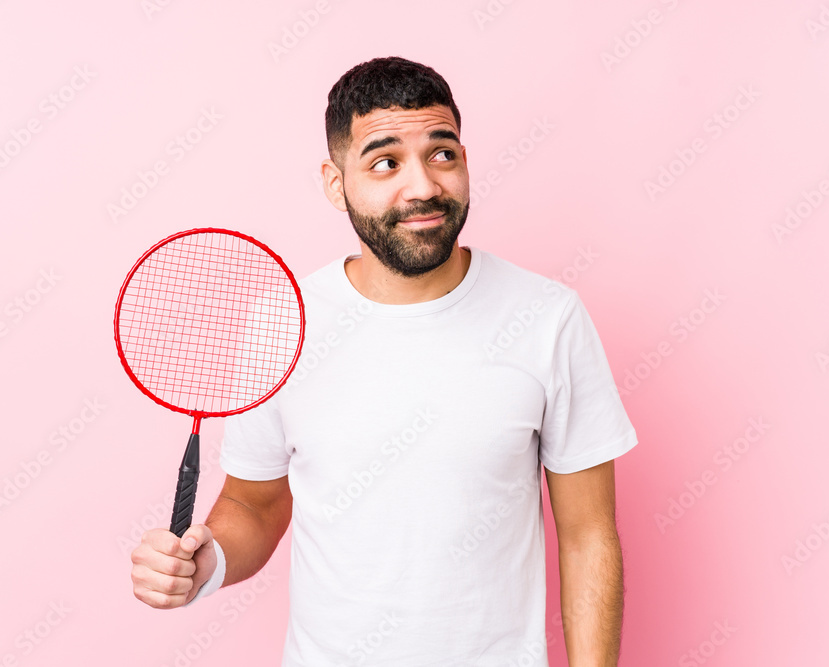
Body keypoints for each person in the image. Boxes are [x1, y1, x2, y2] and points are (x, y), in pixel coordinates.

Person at [131, 56, 638, 666]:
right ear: (335, 182)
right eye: (385, 162)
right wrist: (204, 563)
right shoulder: (281, 326)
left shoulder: (548, 318)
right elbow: (253, 504)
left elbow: (588, 534)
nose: (423, 186)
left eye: (441, 154)